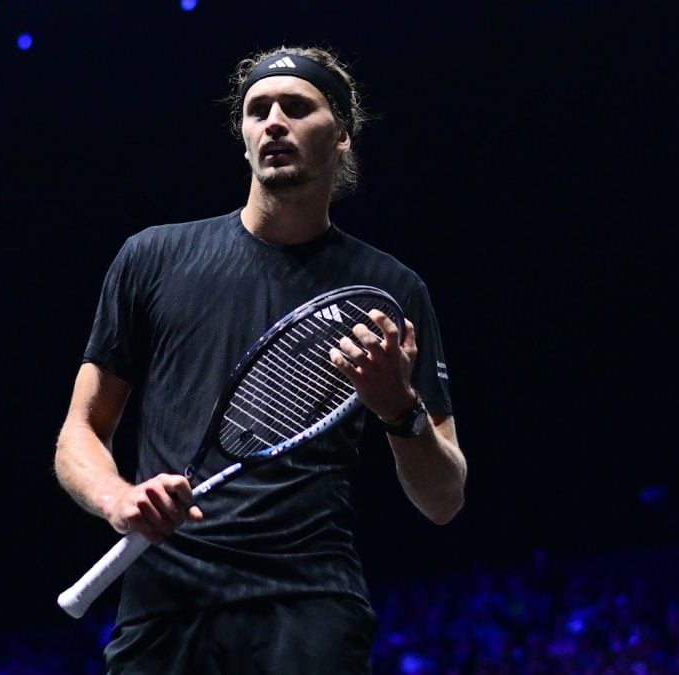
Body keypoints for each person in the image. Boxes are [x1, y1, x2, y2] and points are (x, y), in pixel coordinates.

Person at [54, 45, 467, 674]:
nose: (273, 121)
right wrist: (117, 498)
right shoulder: (152, 259)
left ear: (343, 138)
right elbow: (79, 433)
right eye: (256, 110)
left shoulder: (387, 291)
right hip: (165, 603)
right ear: (243, 138)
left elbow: (444, 498)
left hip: (308, 606)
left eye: (297, 107)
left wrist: (397, 409)